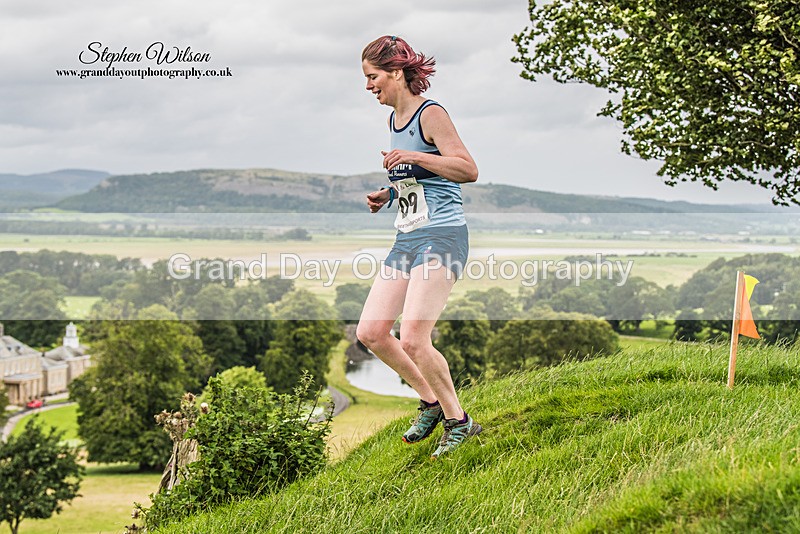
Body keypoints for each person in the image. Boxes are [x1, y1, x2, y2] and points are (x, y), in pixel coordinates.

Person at [356, 35, 482, 459]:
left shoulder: (431, 113)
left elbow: (467, 169)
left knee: (413, 337)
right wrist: (389, 194)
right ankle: (430, 401)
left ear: (395, 72)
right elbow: (420, 182)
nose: (368, 86)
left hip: (442, 236)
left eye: (372, 77)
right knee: (371, 332)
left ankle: (459, 422)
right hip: (408, 236)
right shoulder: (395, 120)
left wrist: (416, 158)